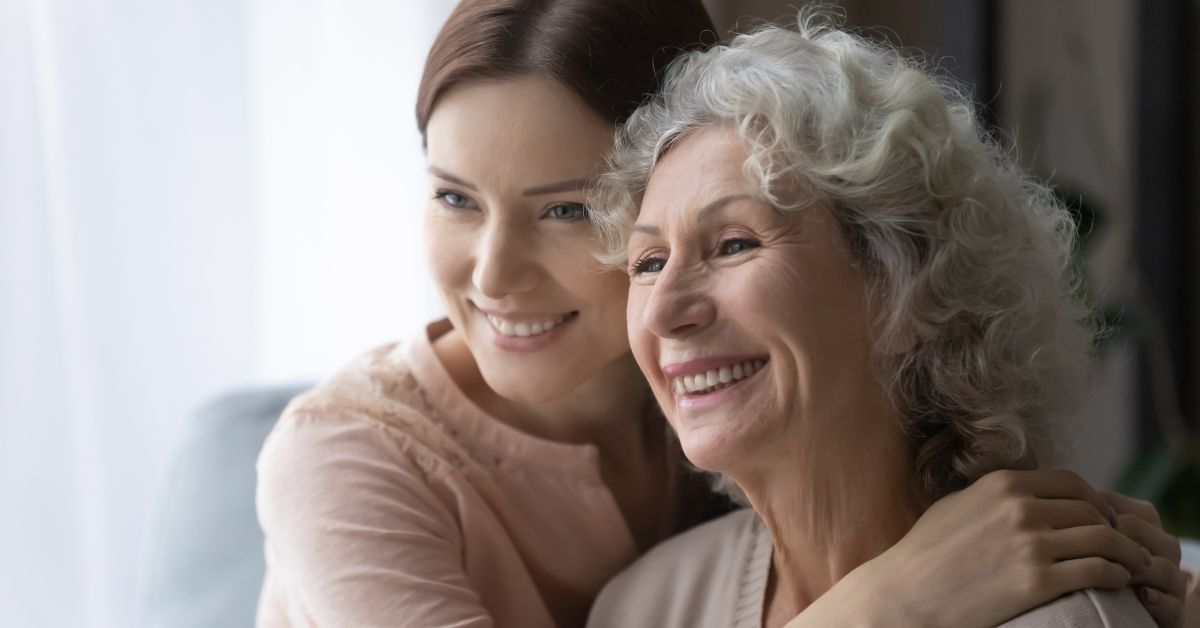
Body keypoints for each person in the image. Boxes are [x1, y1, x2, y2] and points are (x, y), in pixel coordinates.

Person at [254, 1, 1188, 627]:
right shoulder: (347, 459)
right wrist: (887, 607)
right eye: (454, 196)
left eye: (568, 209)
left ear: (906, 283)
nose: (493, 274)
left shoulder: (697, 402)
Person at [585, 9, 1189, 628]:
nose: (662, 312)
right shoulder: (645, 606)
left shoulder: (1064, 620)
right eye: (649, 261)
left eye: (735, 243)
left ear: (906, 292)